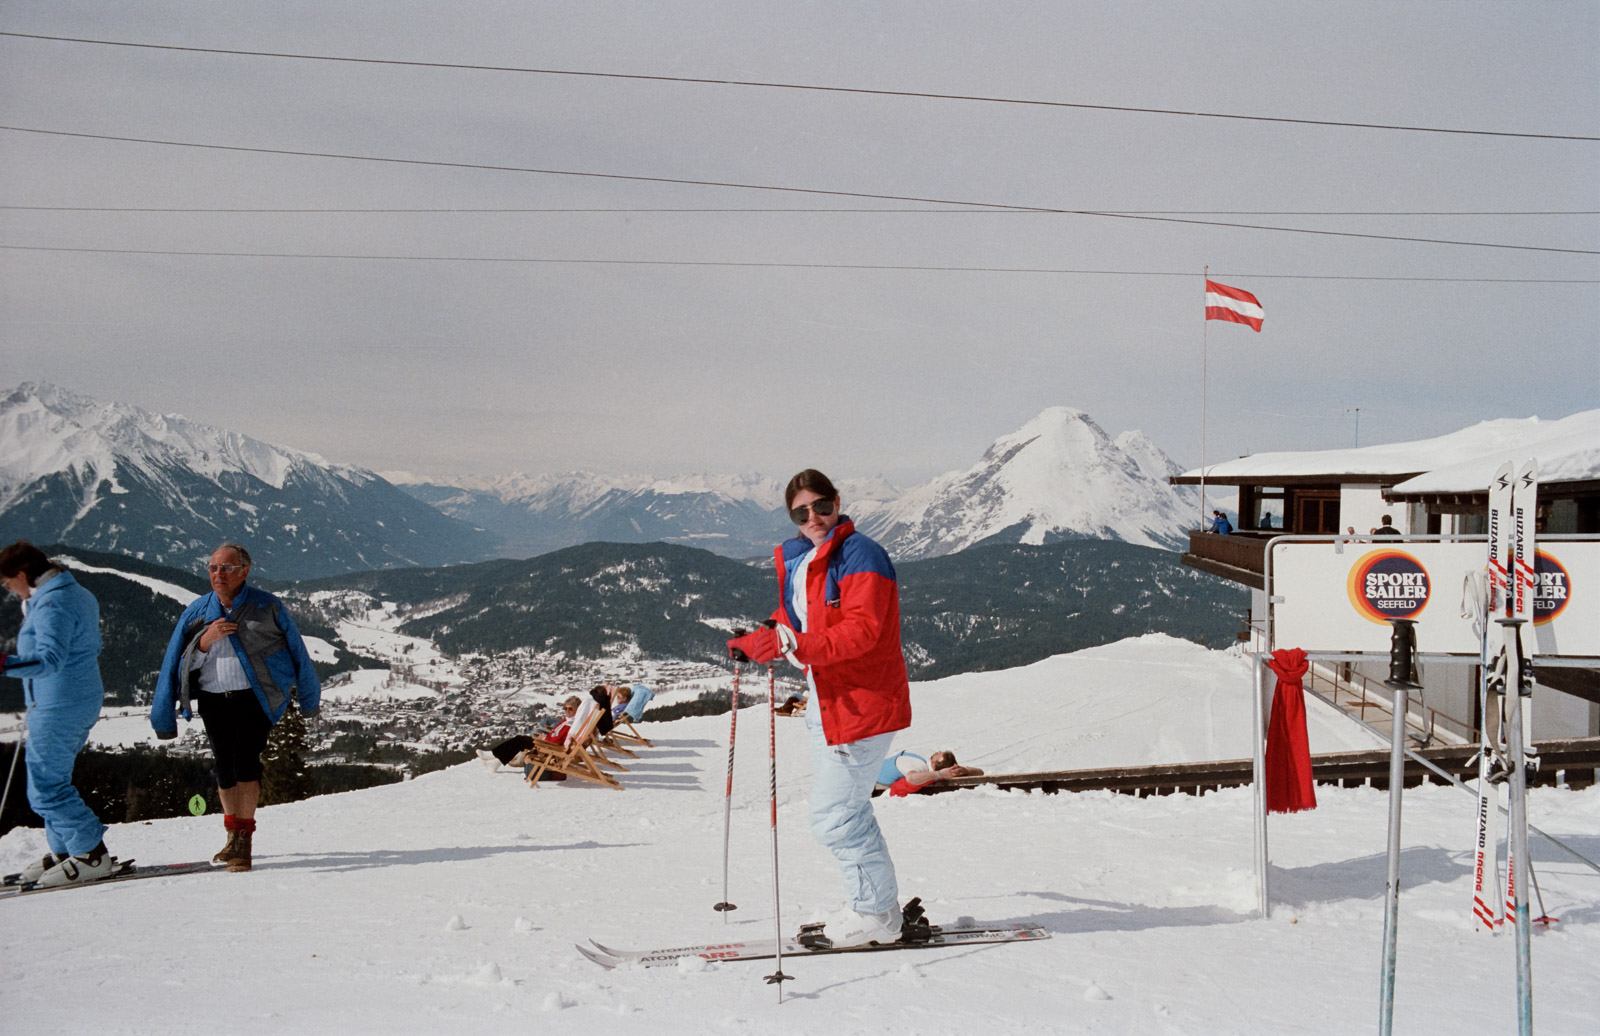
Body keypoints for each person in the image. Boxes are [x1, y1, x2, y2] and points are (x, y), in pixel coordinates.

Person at [727, 468, 912, 948]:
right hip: (826, 703)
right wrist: (761, 640)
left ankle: (876, 914)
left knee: (835, 818)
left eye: (822, 506)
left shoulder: (861, 554)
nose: (813, 518)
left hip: (861, 705)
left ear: (837, 502)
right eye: (801, 512)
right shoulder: (807, 558)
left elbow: (863, 632)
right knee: (847, 811)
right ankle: (875, 905)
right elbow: (796, 618)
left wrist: (794, 644)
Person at [151, 543, 321, 873]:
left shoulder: (266, 607)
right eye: (213, 568)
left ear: (244, 571)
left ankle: (244, 840)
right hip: (213, 700)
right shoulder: (197, 612)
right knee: (223, 769)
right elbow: (177, 663)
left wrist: (309, 699)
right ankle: (232, 835)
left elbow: (298, 652)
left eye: (227, 568)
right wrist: (204, 643)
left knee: (245, 763)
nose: (219, 574)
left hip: (253, 699)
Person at [0, 541, 115, 887]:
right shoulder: (72, 593)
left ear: (22, 575)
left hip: (59, 703)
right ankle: (66, 851)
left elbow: (49, 660)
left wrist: (4, 663)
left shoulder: (54, 603)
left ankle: (90, 852)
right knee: (51, 779)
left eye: (7, 583)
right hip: (69, 698)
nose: (8, 590)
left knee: (45, 787)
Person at [884, 750, 985, 798]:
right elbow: (980, 772)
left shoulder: (919, 766)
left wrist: (939, 774)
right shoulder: (935, 768)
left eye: (937, 754)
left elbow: (911, 778)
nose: (938, 751)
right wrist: (966, 770)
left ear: (934, 764)